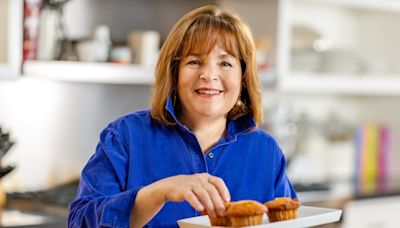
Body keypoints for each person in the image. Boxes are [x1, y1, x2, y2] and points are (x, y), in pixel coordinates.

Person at [68, 5, 297, 228]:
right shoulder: (124, 138)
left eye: (225, 63)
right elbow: (79, 222)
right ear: (174, 72)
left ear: (244, 77)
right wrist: (159, 193)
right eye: (194, 61)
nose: (208, 75)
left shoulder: (266, 152)